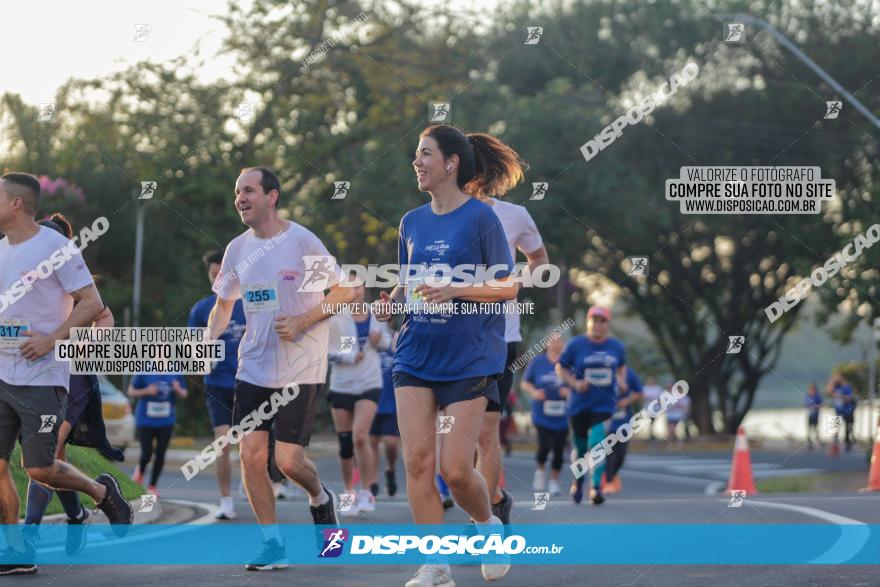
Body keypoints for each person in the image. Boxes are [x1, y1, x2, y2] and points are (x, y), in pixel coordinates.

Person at [375, 124, 520, 586]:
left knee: (455, 470)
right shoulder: (411, 222)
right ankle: (436, 565)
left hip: (469, 357)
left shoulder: (481, 218)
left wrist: (455, 287)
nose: (416, 162)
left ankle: (488, 527)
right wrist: (392, 300)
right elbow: (408, 278)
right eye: (416, 155)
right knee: (418, 462)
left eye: (425, 154)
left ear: (451, 163)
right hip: (415, 354)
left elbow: (508, 285)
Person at [208, 167, 353, 571]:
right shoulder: (237, 249)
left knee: (289, 462)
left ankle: (321, 497)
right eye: (237, 192)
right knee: (251, 457)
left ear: (272, 196)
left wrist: (303, 321)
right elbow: (224, 304)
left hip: (302, 367)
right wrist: (205, 344)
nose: (240, 198)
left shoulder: (302, 241)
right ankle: (272, 544)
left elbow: (345, 291)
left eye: (248, 190)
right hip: (253, 367)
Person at [0, 173, 132, 576]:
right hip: (2, 376)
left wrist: (52, 338)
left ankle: (100, 490)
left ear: (16, 203)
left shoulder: (55, 247)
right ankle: (15, 551)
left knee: (39, 467)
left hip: (42, 379)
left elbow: (92, 304)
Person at [23, 214, 123, 555]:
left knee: (48, 449)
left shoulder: (73, 279)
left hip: (72, 376)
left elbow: (104, 316)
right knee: (54, 455)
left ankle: (29, 532)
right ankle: (78, 514)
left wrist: (87, 345)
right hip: (37, 375)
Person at [474, 178, 549, 525]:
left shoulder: (514, 215)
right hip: (450, 339)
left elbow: (539, 261)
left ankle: (485, 517)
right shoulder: (436, 215)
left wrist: (514, 283)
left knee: (487, 430)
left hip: (500, 337)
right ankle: (497, 500)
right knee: (458, 436)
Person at [188, 249, 247, 520]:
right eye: (213, 276)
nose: (218, 279)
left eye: (221, 274)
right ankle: (226, 500)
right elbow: (192, 350)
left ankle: (252, 485)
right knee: (222, 443)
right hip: (217, 383)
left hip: (248, 381)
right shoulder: (201, 310)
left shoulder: (249, 303)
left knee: (249, 446)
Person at [327, 274, 389, 515]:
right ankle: (348, 491)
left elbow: (389, 343)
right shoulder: (334, 317)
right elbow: (327, 352)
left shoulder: (376, 313)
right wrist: (350, 355)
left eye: (359, 285)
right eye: (349, 286)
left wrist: (380, 339)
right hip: (342, 384)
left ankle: (366, 491)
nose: (355, 289)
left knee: (360, 436)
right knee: (345, 443)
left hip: (369, 383)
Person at [556, 305, 627, 506]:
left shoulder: (616, 347)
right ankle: (578, 482)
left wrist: (621, 381)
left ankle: (595, 488)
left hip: (604, 405)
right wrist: (575, 383)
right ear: (588, 322)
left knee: (597, 444)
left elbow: (621, 366)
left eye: (602, 321)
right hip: (578, 405)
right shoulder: (576, 344)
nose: (597, 324)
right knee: (580, 449)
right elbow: (560, 368)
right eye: (594, 320)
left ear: (607, 324)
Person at [521, 336, 569, 496]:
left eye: (559, 342)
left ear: (562, 345)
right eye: (553, 341)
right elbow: (525, 383)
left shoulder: (568, 362)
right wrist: (534, 392)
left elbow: (577, 383)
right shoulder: (537, 362)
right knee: (544, 446)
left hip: (562, 414)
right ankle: (540, 471)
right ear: (547, 344)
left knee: (559, 449)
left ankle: (554, 481)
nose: (556, 345)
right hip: (542, 413)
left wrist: (569, 391)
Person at [129, 373, 187, 495]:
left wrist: (177, 389)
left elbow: (184, 394)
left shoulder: (175, 371)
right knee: (147, 453)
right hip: (145, 420)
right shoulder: (144, 370)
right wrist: (147, 391)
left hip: (166, 421)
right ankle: (140, 472)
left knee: (160, 453)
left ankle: (152, 486)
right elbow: (131, 391)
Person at [370, 326, 401, 498]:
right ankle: (373, 482)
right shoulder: (365, 337)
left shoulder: (395, 338)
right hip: (370, 399)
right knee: (371, 443)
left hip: (391, 402)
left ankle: (390, 471)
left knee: (390, 443)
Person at [603, 367, 643, 494]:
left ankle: (611, 475)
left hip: (624, 422)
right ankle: (608, 482)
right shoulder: (602, 371)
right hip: (606, 422)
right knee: (609, 454)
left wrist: (627, 401)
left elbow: (639, 393)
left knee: (621, 456)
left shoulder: (629, 374)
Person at [826, 373, 857, 451]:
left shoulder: (847, 386)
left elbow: (850, 397)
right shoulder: (836, 386)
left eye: (838, 377)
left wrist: (840, 396)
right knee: (835, 428)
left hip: (847, 411)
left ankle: (847, 443)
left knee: (847, 428)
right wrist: (832, 380)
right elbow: (829, 391)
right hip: (838, 411)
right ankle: (835, 445)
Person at [642, 376, 662, 441]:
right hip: (647, 408)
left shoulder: (658, 388)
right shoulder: (645, 388)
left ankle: (651, 434)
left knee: (653, 421)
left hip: (655, 408)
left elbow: (660, 399)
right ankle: (651, 434)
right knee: (649, 421)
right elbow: (642, 397)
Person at [805, 382, 823, 450]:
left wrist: (816, 407)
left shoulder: (817, 396)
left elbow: (821, 404)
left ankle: (817, 442)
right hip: (810, 415)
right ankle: (809, 443)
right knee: (809, 429)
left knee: (815, 428)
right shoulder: (808, 396)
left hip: (816, 415)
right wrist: (809, 407)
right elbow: (806, 404)